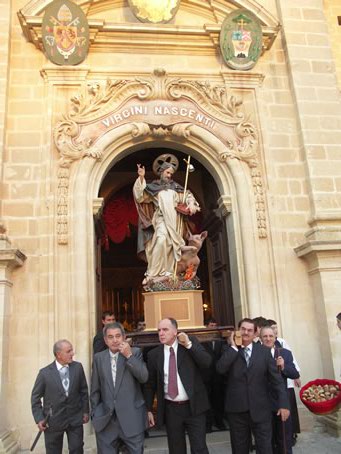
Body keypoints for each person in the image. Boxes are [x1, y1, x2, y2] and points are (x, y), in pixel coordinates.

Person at [216, 318, 290, 454]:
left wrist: (284, 404)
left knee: (265, 449)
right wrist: (234, 347)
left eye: (250, 330)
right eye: (243, 329)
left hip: (261, 410)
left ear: (255, 333)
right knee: (239, 449)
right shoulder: (228, 350)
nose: (246, 332)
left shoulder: (264, 352)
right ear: (238, 331)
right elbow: (220, 369)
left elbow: (277, 381)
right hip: (237, 411)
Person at [144, 317, 211, 454]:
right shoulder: (154, 355)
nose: (161, 333)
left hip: (194, 407)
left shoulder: (189, 345)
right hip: (172, 409)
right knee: (176, 450)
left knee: (199, 448)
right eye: (159, 330)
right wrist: (149, 409)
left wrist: (188, 345)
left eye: (165, 330)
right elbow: (150, 384)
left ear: (175, 331)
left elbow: (207, 363)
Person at [133, 161, 200, 285]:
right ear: (161, 172)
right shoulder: (154, 188)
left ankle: (169, 272)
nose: (169, 175)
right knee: (160, 240)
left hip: (175, 222)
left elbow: (188, 197)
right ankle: (153, 273)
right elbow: (140, 196)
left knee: (171, 246)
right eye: (167, 172)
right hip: (161, 219)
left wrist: (190, 204)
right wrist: (141, 177)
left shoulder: (177, 188)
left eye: (171, 173)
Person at [90, 322, 148, 453]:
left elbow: (144, 377)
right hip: (106, 422)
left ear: (124, 337)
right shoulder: (99, 358)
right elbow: (95, 390)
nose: (115, 340)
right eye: (110, 337)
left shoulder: (135, 353)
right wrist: (96, 413)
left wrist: (129, 356)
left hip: (132, 420)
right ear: (105, 340)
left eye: (118, 336)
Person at [31, 339, 89, 454]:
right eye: (69, 351)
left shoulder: (78, 368)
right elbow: (35, 398)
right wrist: (39, 419)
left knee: (77, 449)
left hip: (75, 419)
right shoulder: (44, 373)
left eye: (72, 350)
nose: (72, 353)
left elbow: (83, 390)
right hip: (53, 421)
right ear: (58, 355)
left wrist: (85, 411)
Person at [260, 326, 300, 454]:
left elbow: (294, 374)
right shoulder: (255, 354)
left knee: (284, 439)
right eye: (265, 336)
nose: (268, 339)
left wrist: (283, 367)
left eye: (270, 336)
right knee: (266, 441)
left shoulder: (285, 353)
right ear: (261, 338)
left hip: (281, 402)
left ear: (275, 337)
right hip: (262, 403)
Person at [201, 318, 226, 432]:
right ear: (206, 326)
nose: (214, 327)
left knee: (218, 401)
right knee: (207, 402)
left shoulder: (220, 339)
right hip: (205, 377)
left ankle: (219, 422)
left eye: (215, 325)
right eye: (211, 325)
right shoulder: (201, 340)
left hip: (218, 377)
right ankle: (208, 425)